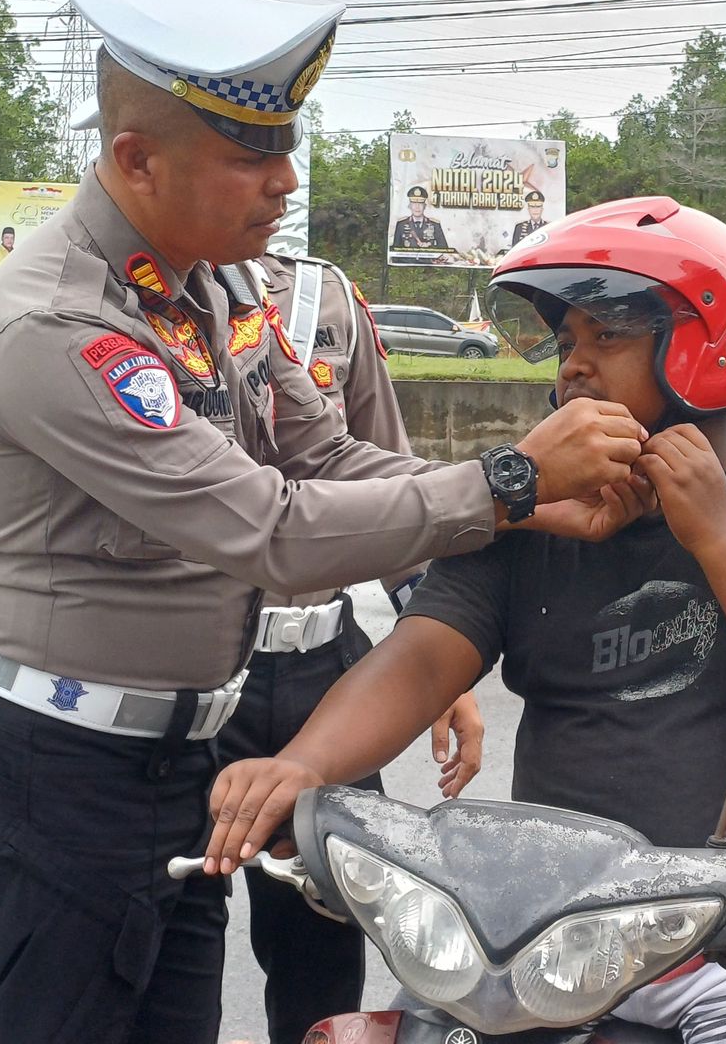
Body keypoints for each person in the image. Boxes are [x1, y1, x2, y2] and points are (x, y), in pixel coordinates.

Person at [0, 0, 649, 1044]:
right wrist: (508, 478)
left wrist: (530, 504)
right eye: (247, 161)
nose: (287, 184)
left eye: (287, 153)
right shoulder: (59, 326)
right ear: (136, 159)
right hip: (52, 775)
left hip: (186, 764)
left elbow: (330, 458)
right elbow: (264, 529)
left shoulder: (215, 289)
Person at [206, 195, 726, 1043]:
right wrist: (300, 766)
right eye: (567, 343)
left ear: (700, 350)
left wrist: (717, 539)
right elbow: (420, 660)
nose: (573, 368)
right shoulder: (533, 519)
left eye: (606, 338)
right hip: (556, 942)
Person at [223, 234, 485, 1044]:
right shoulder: (153, 297)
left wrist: (446, 664)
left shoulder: (325, 297)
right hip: (197, 673)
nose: (271, 183)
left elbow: (385, 477)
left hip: (317, 668)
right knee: (165, 938)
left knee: (325, 942)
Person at [391, 184, 452, 258]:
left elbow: (444, 250)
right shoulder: (401, 224)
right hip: (407, 264)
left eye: (420, 203)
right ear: (410, 206)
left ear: (425, 206)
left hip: (429, 265)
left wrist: (429, 245)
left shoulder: (435, 224)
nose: (417, 207)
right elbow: (395, 251)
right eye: (414, 203)